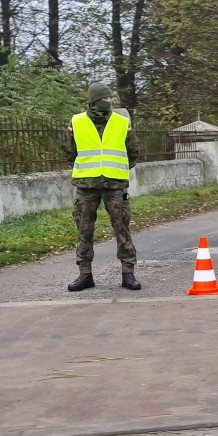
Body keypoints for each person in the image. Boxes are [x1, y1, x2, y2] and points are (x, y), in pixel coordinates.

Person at [63, 82, 141, 292]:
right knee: (84, 230)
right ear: (95, 99)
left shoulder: (122, 122)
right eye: (105, 98)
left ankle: (128, 273)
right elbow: (69, 151)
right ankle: (84, 274)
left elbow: (132, 151)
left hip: (114, 185)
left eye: (109, 98)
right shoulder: (77, 121)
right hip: (86, 185)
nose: (109, 101)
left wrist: (118, 169)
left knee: (122, 227)